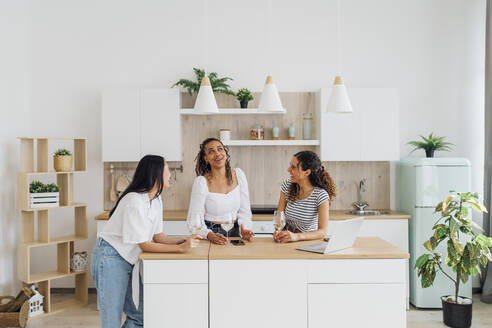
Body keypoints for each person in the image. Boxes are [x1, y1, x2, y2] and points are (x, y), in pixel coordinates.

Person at [91, 155, 200, 327]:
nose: (170, 174)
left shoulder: (156, 198)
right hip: (110, 258)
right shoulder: (134, 201)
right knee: (111, 319)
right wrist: (180, 250)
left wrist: (179, 241)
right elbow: (145, 245)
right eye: (167, 169)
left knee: (140, 315)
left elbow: (158, 236)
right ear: (156, 173)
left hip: (127, 259)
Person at [187, 137, 255, 245]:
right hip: (211, 235)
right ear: (206, 158)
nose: (217, 154)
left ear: (225, 152)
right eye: (211, 151)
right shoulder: (201, 182)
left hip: (236, 233)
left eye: (220, 149)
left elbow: (245, 211)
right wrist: (209, 235)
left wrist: (245, 230)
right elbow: (194, 221)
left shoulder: (239, 175)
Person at [273, 150, 336, 243]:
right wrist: (278, 231)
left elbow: (322, 232)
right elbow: (280, 215)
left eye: (293, 167)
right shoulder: (287, 185)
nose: (288, 169)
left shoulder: (320, 195)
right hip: (287, 240)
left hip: (307, 242)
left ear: (307, 172)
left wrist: (297, 236)